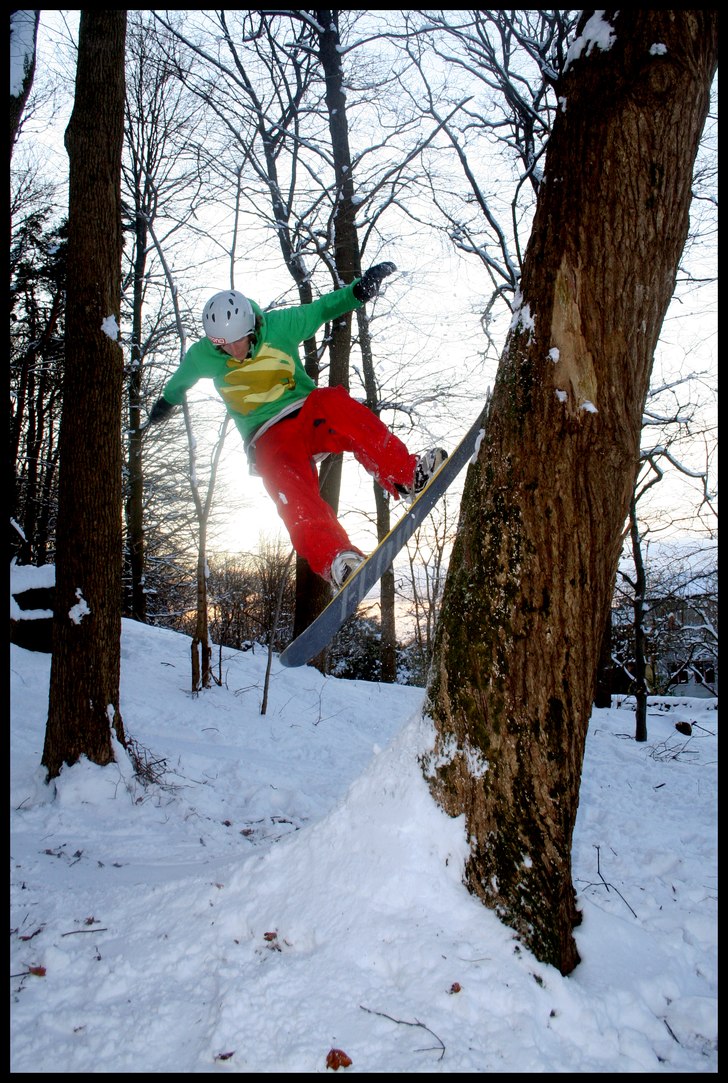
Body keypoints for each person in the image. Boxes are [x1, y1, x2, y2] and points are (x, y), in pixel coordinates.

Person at [145, 262, 447, 589]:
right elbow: (179, 382)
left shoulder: (281, 325)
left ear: (252, 327)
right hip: (268, 438)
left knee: (334, 401)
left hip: (307, 414)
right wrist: (164, 404)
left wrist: (358, 291)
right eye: (223, 345)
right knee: (288, 488)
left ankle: (407, 474)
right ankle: (336, 558)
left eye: (239, 342)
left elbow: (321, 309)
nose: (233, 351)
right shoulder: (202, 356)